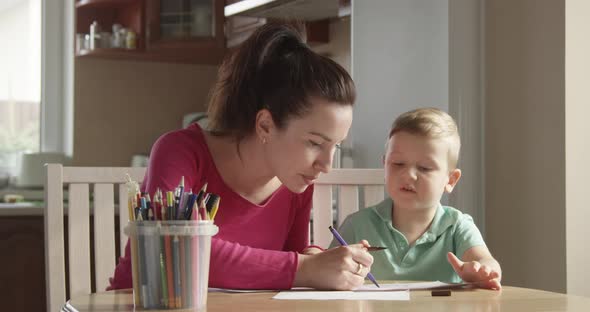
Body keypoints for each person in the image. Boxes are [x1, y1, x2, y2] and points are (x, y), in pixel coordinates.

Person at [108, 21, 374, 291]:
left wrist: (315, 257)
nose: (326, 165)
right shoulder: (180, 152)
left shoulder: (297, 180)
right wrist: (305, 268)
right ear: (265, 125)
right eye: (315, 143)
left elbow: (288, 262)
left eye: (336, 146)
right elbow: (179, 251)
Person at [330, 108, 502, 290]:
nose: (408, 176)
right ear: (385, 166)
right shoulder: (358, 224)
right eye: (398, 164)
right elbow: (327, 269)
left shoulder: (457, 226)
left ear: (450, 180)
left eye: (425, 168)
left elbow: (485, 260)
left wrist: (483, 271)